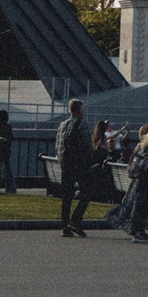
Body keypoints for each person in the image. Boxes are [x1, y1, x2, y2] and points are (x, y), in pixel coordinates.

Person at [54, 98, 95, 238]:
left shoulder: (62, 125)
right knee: (87, 192)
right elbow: (88, 146)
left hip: (65, 166)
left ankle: (65, 226)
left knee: (67, 197)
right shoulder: (81, 124)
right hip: (78, 166)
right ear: (79, 110)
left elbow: (58, 146)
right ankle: (76, 220)